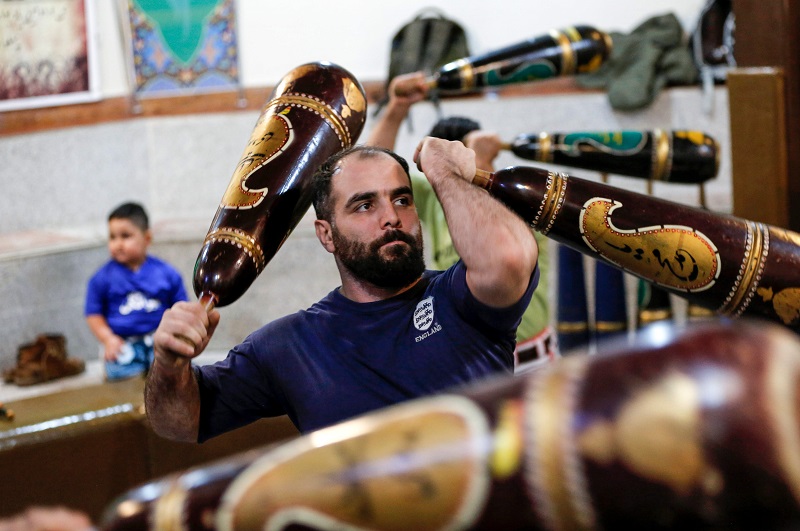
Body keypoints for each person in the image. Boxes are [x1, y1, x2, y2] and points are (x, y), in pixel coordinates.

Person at [146, 137, 539, 441]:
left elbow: (509, 259)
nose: (391, 218)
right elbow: (180, 423)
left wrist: (445, 174)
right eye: (364, 205)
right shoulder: (290, 345)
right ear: (326, 234)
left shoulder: (458, 300)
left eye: (402, 199)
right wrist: (169, 362)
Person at [367, 71, 558, 366]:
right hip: (471, 358)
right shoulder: (433, 196)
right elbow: (374, 170)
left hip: (532, 361)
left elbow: (503, 251)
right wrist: (397, 107)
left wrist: (481, 164)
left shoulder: (519, 198)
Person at [85, 202, 189, 381]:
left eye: (125, 236)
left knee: (174, 374)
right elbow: (93, 313)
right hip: (123, 343)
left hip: (160, 338)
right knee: (121, 378)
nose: (118, 244)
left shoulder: (166, 273)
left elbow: (180, 307)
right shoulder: (102, 278)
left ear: (147, 238)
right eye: (112, 237)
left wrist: (177, 336)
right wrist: (108, 339)